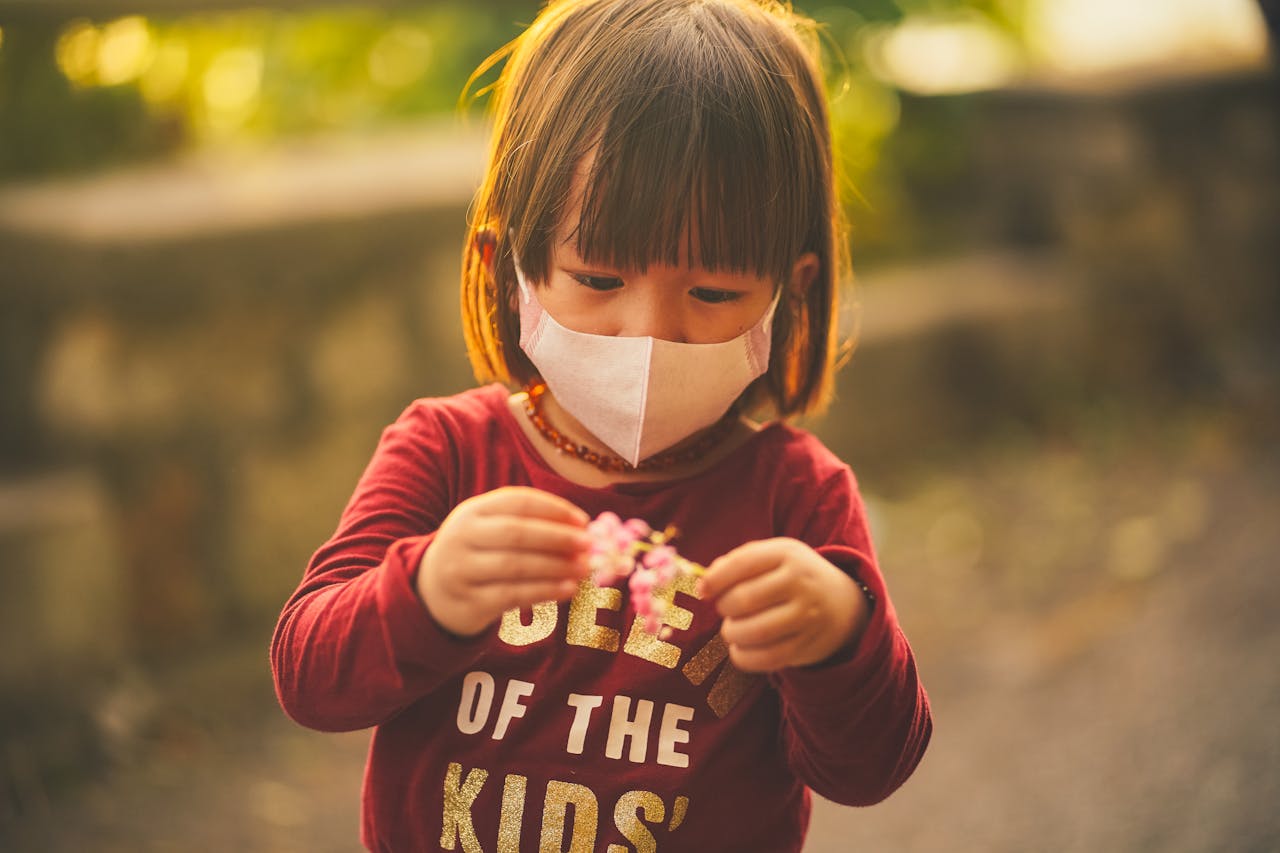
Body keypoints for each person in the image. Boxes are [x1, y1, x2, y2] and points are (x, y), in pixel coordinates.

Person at [271, 1, 931, 850]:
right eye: (597, 277)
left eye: (713, 293)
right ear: (508, 269)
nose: (647, 335)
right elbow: (308, 676)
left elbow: (870, 769)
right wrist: (426, 591)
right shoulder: (446, 452)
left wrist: (841, 631)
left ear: (788, 290)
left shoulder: (797, 498)